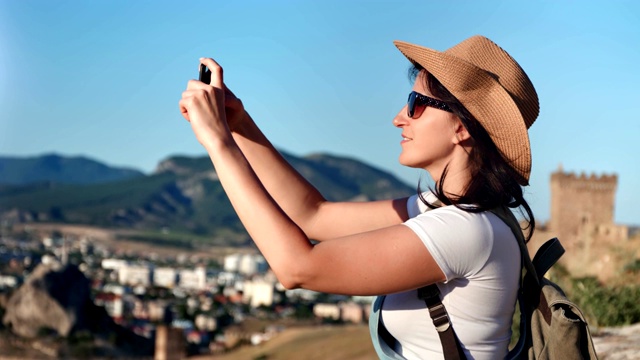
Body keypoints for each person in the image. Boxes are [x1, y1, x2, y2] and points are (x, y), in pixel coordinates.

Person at [179, 35, 539, 359]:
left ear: (462, 126)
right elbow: (313, 215)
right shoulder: (446, 212)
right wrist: (239, 124)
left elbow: (297, 268)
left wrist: (217, 142)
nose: (399, 118)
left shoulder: (467, 230)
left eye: (416, 103)